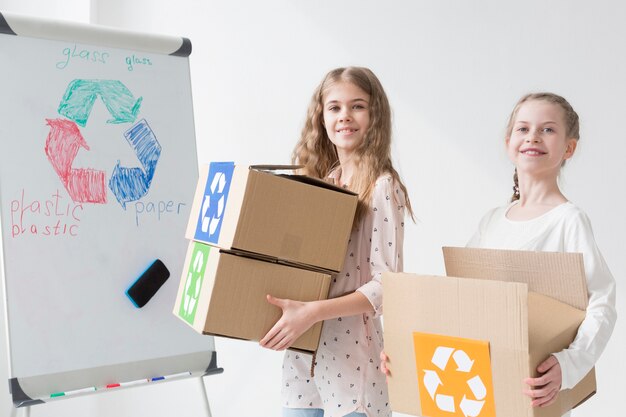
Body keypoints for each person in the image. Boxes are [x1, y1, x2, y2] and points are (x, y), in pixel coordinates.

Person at [381, 92, 616, 413]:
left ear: (569, 148)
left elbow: (601, 304)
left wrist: (570, 365)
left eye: (548, 129)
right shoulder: (491, 221)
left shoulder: (568, 220)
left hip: (531, 389)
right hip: (482, 383)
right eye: (523, 128)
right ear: (508, 143)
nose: (533, 136)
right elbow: (457, 299)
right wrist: (407, 350)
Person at [259, 66, 414, 417]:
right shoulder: (326, 183)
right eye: (335, 108)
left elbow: (386, 287)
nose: (345, 116)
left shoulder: (382, 187)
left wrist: (312, 313)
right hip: (303, 353)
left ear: (375, 115)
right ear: (322, 118)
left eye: (357, 106)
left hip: (352, 361)